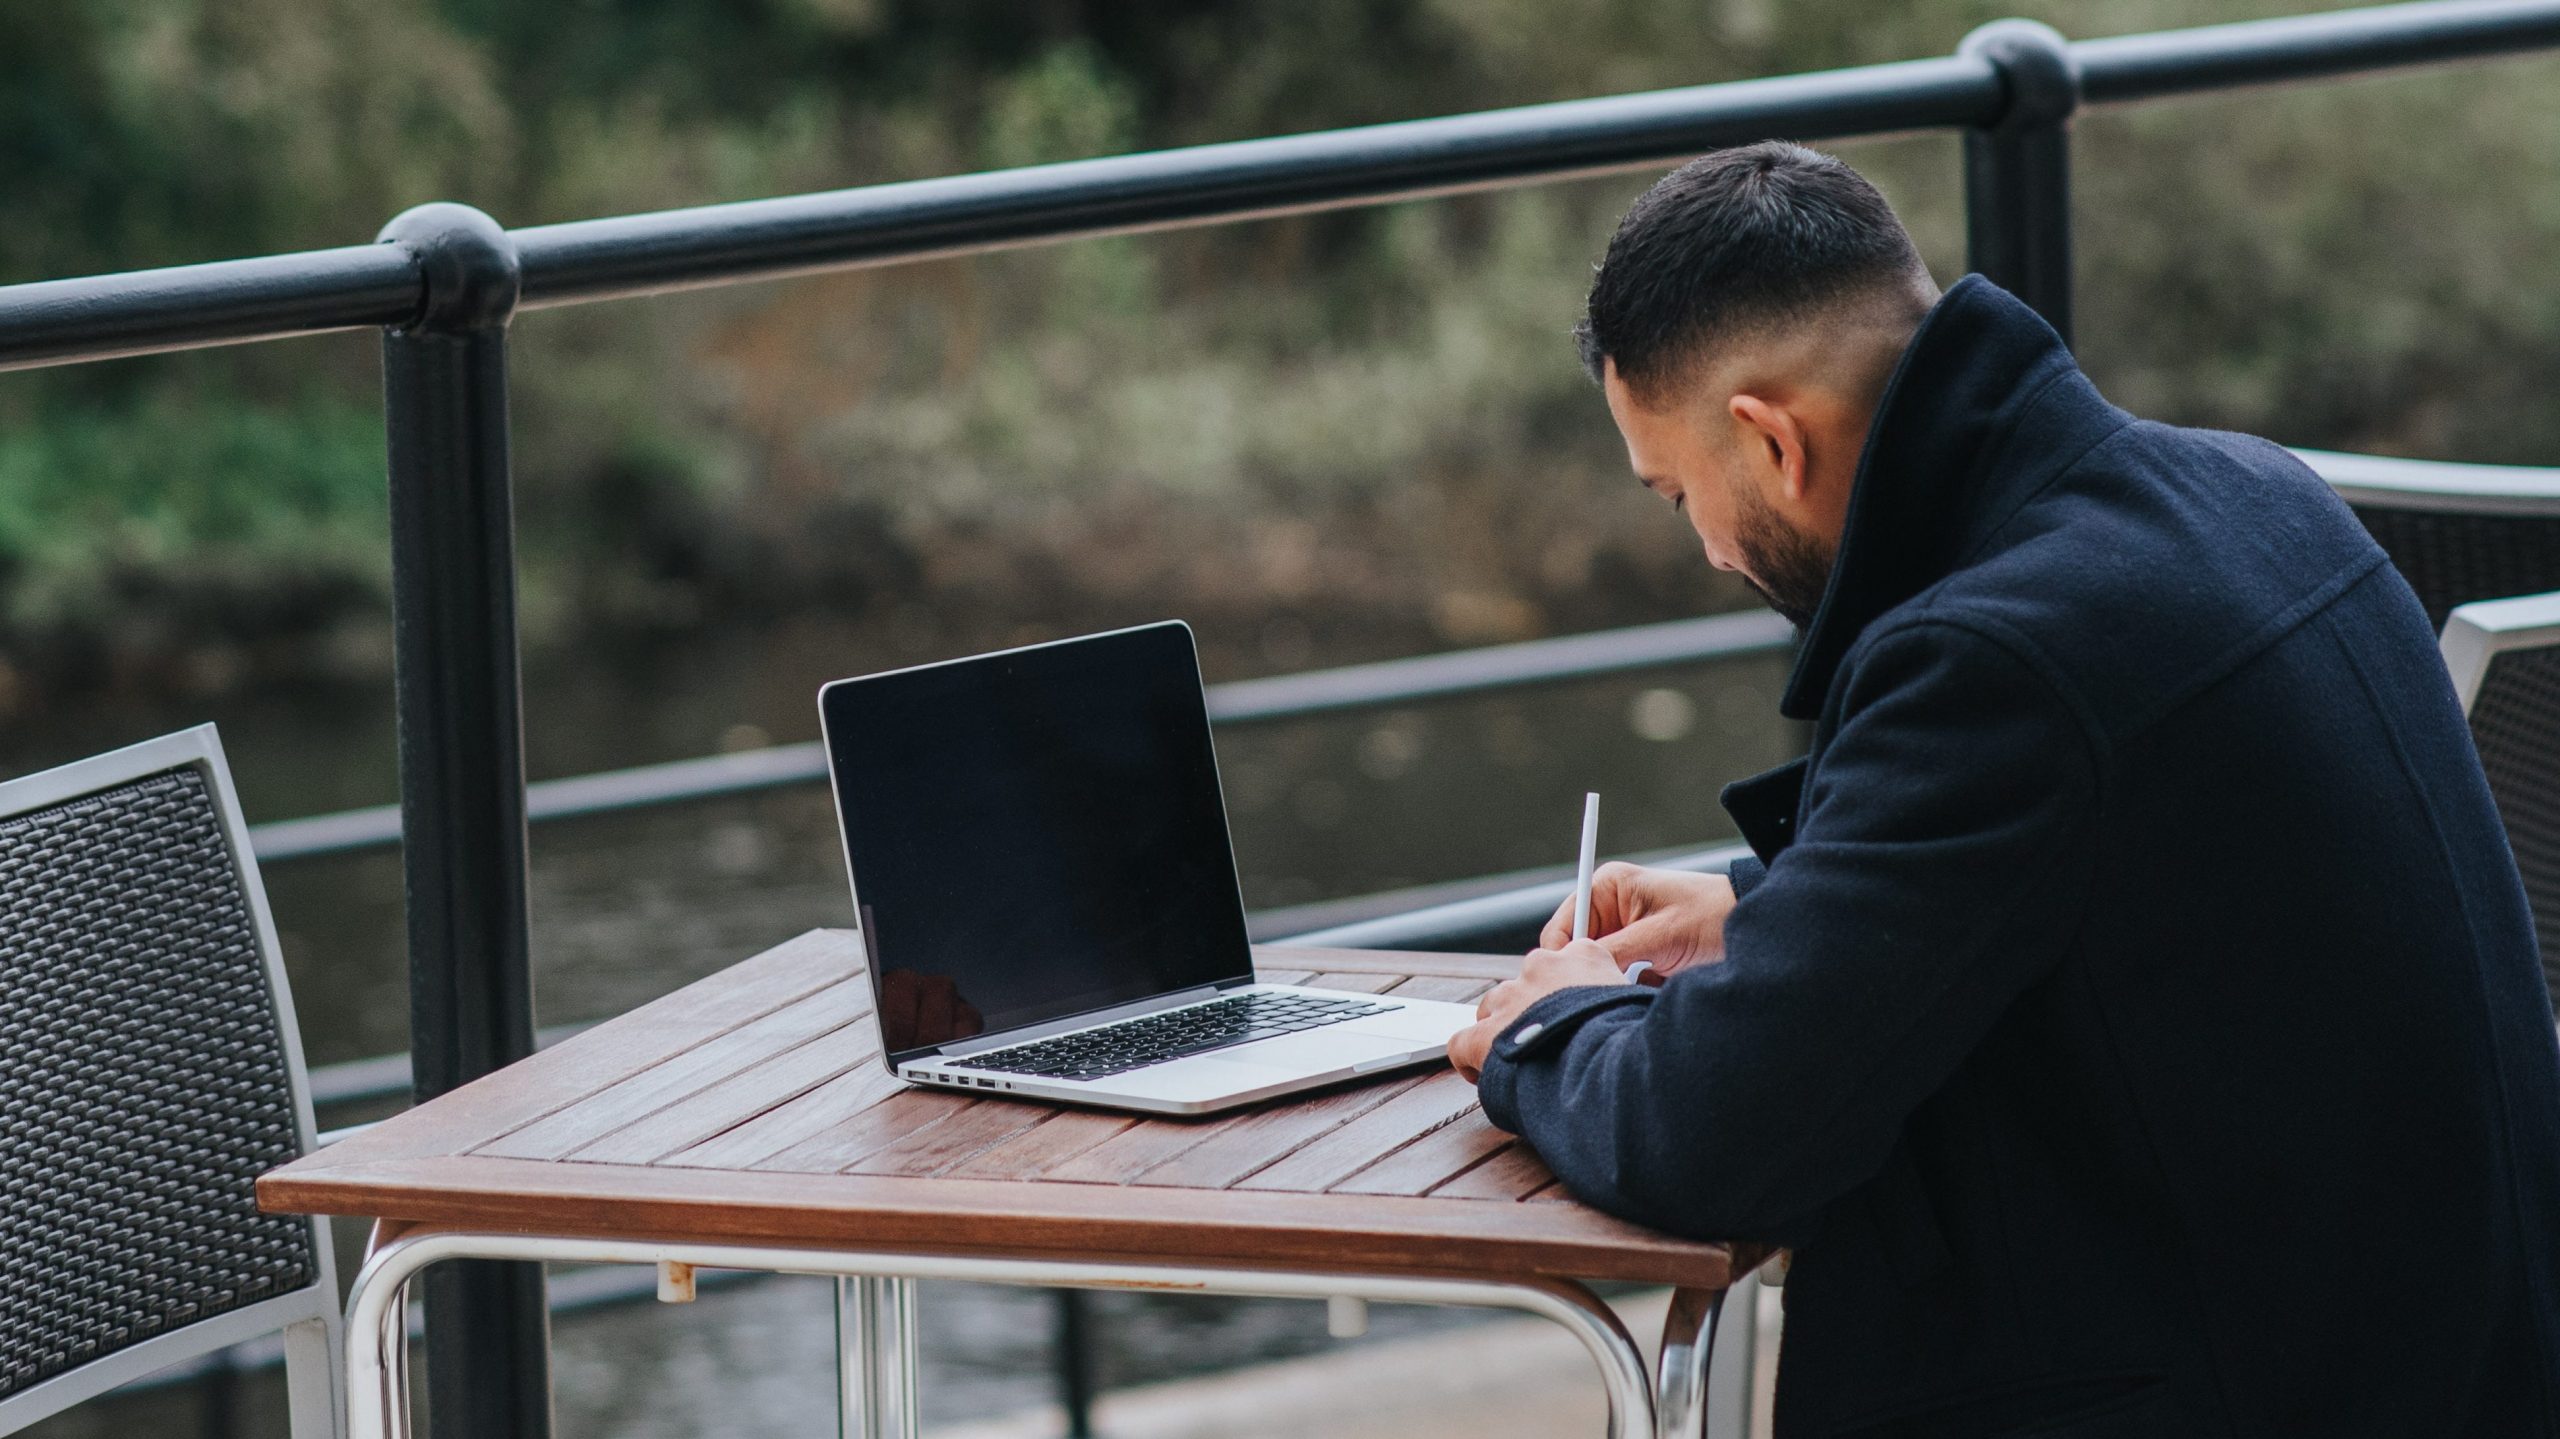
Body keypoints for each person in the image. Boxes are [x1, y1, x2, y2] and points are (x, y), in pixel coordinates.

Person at [1447, 141, 2560, 1437]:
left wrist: (1552, 1028)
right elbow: (2118, 877)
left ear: (1768, 438)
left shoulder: (1992, 656)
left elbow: (1721, 1142)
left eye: (1681, 489)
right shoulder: (2256, 492)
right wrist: (1772, 914)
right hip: (2442, 1353)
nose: (1701, 545)